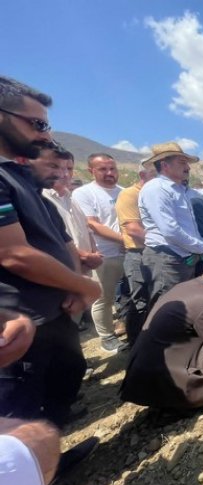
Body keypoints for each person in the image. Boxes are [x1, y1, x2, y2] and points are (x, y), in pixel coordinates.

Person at [0, 76, 101, 426]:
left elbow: (57, 242)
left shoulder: (20, 179)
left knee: (66, 373)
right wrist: (88, 286)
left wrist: (73, 285)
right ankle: (33, 475)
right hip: (19, 320)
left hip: (53, 310)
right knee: (20, 408)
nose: (45, 134)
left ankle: (52, 456)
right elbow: (14, 255)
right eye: (37, 124)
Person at [121, 260, 203, 412]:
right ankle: (188, 406)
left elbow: (197, 322)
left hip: (143, 376)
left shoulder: (187, 286)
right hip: (168, 381)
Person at [139, 142, 203, 309]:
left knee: (183, 307)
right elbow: (170, 230)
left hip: (180, 258)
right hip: (167, 260)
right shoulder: (156, 189)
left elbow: (187, 226)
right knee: (168, 308)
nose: (188, 167)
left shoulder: (177, 190)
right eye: (182, 162)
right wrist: (201, 247)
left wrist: (197, 248)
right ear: (164, 165)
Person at [72, 153, 127, 353]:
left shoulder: (125, 192)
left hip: (129, 253)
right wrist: (124, 240)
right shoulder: (84, 193)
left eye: (112, 168)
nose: (109, 173)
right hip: (104, 255)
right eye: (103, 169)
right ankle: (107, 337)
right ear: (91, 170)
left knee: (128, 295)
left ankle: (126, 325)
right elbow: (93, 224)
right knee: (104, 298)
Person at [41, 147, 102, 278]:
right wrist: (84, 256)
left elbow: (86, 230)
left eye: (69, 168)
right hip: (57, 275)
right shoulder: (40, 199)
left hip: (81, 272)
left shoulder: (73, 200)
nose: (65, 174)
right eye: (56, 167)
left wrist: (94, 254)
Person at [115, 160, 157, 344]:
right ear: (143, 175)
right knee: (139, 302)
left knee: (154, 299)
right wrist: (165, 244)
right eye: (155, 175)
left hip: (154, 253)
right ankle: (135, 344)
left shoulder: (155, 195)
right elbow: (133, 229)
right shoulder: (130, 195)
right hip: (138, 254)